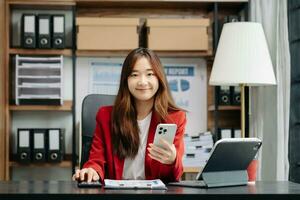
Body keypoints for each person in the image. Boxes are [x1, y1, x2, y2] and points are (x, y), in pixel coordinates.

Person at [73, 47, 186, 183]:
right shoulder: (106, 116)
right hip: (117, 194)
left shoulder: (174, 118)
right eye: (134, 74)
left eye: (150, 74)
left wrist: (173, 160)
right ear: (125, 80)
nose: (142, 82)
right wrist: (91, 170)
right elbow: (96, 160)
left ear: (159, 78)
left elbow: (174, 176)